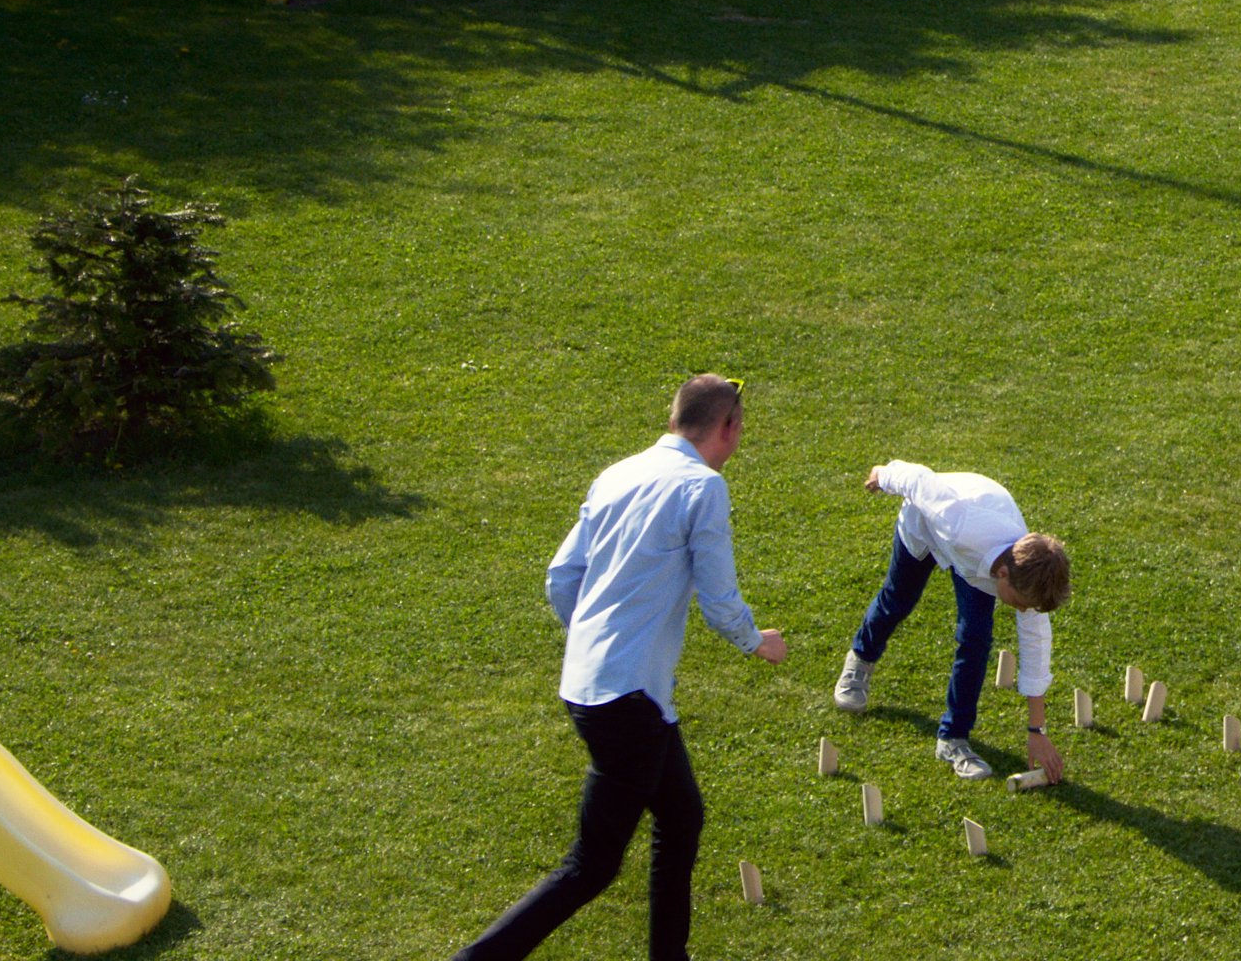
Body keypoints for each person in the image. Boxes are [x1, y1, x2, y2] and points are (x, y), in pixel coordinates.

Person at [458, 375, 786, 961]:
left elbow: (562, 576)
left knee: (682, 816)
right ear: (729, 428)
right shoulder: (702, 489)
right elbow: (718, 598)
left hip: (600, 686)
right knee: (590, 867)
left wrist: (594, 637)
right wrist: (755, 642)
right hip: (627, 701)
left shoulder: (618, 473)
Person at [831, 460, 1073, 782]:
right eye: (1018, 603)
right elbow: (918, 479)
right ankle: (860, 660)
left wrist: (1037, 729)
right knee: (897, 600)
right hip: (926, 528)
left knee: (975, 640)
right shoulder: (958, 521)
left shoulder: (1024, 578)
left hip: (973, 563)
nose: (1020, 610)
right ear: (1004, 574)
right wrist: (883, 475)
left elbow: (1035, 647)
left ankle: (953, 739)